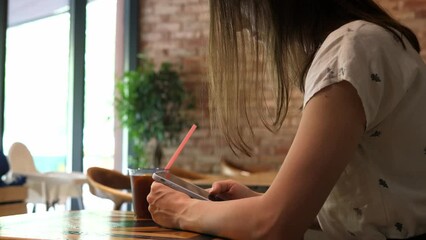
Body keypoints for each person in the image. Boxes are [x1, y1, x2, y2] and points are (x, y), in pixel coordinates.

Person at [147, 0, 426, 239]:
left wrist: (182, 211)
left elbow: (275, 226)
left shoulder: (352, 49)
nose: (242, 24)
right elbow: (376, 212)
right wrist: (262, 203)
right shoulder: (369, 40)